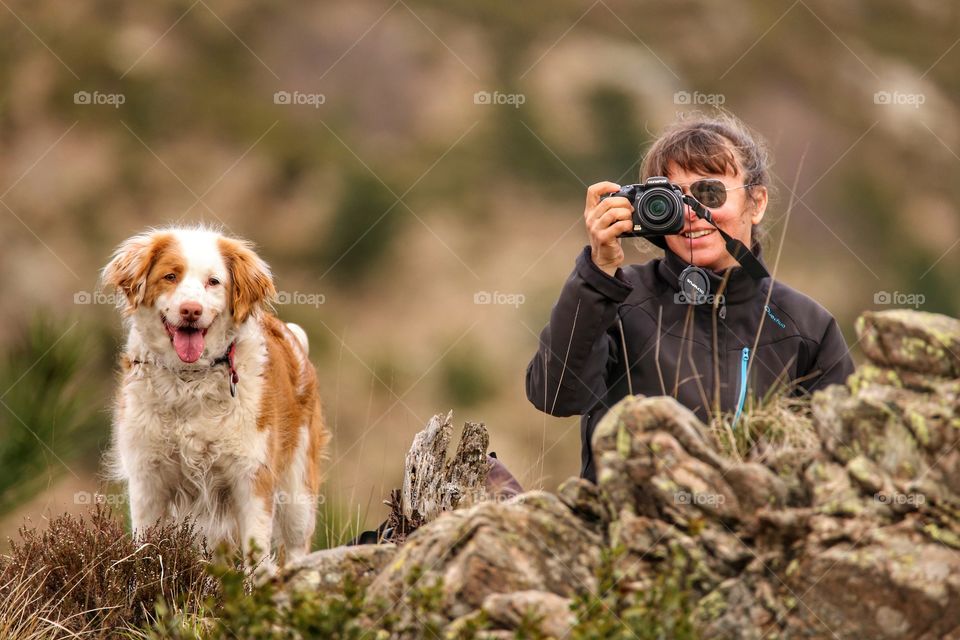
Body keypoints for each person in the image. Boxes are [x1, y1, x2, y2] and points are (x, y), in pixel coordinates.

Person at [526, 113, 855, 482]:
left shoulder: (806, 327)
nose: (692, 215)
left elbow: (844, 461)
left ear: (756, 202)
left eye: (709, 193)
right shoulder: (617, 299)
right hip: (627, 531)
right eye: (672, 198)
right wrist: (598, 272)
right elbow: (554, 395)